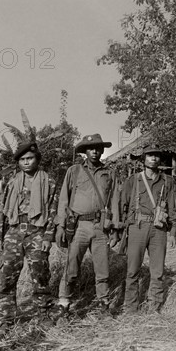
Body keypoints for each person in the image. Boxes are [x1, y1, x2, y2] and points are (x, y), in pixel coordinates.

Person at [0, 142, 59, 337]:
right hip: (13, 232)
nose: (26, 162)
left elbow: (53, 211)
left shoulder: (49, 181)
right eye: (22, 159)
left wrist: (48, 236)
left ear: (37, 159)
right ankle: (6, 319)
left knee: (40, 274)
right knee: (7, 276)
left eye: (30, 158)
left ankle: (43, 314)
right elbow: (1, 209)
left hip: (37, 232)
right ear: (18, 162)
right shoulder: (11, 181)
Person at [54, 134, 119, 319]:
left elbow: (114, 200)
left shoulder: (109, 173)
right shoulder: (74, 171)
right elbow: (63, 200)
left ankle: (103, 304)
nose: (95, 152)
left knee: (102, 268)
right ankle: (64, 304)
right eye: (90, 148)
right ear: (84, 151)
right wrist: (60, 225)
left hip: (100, 226)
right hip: (79, 226)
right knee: (71, 267)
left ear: (102, 150)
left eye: (98, 148)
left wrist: (115, 228)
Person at [119, 144, 176, 313]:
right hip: (137, 227)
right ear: (143, 159)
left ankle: (155, 307)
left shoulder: (167, 181)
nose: (154, 158)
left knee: (158, 271)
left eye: (157, 155)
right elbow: (123, 205)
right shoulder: (133, 180)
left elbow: (172, 207)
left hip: (158, 228)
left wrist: (173, 231)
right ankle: (130, 308)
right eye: (150, 155)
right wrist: (124, 228)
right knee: (132, 270)